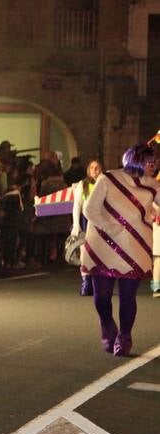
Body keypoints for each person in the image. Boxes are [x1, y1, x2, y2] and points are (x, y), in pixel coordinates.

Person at [80, 144, 159, 357]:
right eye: (150, 162)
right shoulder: (108, 179)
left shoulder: (154, 186)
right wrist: (109, 227)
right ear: (136, 160)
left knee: (127, 296)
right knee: (101, 296)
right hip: (104, 244)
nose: (154, 166)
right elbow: (89, 209)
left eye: (155, 162)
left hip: (135, 247)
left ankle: (124, 336)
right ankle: (107, 325)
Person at [70, 159, 102, 296]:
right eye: (92, 168)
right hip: (86, 222)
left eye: (97, 168)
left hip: (101, 222)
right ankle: (86, 282)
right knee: (85, 253)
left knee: (101, 253)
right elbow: (77, 205)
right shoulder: (83, 185)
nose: (94, 170)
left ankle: (98, 284)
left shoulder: (106, 183)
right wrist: (76, 225)